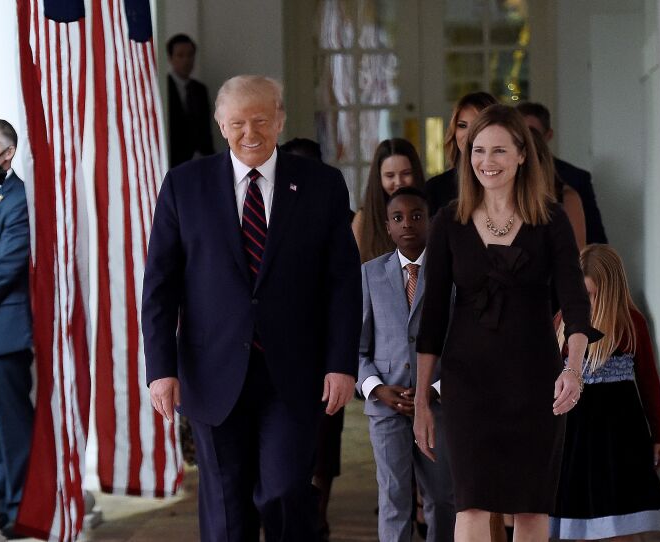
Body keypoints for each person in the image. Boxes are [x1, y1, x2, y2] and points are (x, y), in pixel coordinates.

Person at [142, 75, 362, 542]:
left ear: (280, 119)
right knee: (225, 504)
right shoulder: (185, 185)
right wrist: (160, 369)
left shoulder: (322, 185)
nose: (250, 133)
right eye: (238, 122)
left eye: (261, 120)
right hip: (212, 370)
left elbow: (343, 284)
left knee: (283, 491)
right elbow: (160, 286)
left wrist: (342, 364)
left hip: (294, 372)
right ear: (221, 125)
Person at [413, 105, 601, 542]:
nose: (487, 161)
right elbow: (432, 316)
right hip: (467, 385)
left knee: (531, 506)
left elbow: (575, 303)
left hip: (536, 381)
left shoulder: (550, 219)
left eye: (499, 150)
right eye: (478, 150)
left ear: (522, 155)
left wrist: (573, 369)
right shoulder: (448, 222)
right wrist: (422, 399)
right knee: (472, 502)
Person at [550, 244, 660, 541]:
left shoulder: (632, 324)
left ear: (610, 290)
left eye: (592, 295)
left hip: (621, 438)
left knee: (620, 520)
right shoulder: (562, 322)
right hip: (575, 436)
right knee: (577, 518)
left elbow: (649, 382)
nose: (586, 302)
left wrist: (659, 435)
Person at [358, 187, 455, 542]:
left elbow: (461, 345)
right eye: (398, 218)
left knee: (442, 498)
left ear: (430, 221)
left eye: (416, 216)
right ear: (387, 226)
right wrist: (375, 388)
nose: (407, 224)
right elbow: (357, 348)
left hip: (437, 406)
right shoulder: (370, 275)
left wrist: (435, 389)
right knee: (394, 498)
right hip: (386, 407)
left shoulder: (451, 273)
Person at [281, 135, 346, 540]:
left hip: (322, 352)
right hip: (277, 355)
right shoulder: (261, 213)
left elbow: (343, 291)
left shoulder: (335, 210)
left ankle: (317, 515)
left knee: (324, 443)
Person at [0, 119, 34, 538]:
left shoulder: (17, 198)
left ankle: (19, 510)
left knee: (12, 429)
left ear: (9, 152)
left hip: (6, 332)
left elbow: (6, 267)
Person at [516, 101, 608, 244]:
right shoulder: (503, 176)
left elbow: (595, 238)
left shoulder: (576, 179)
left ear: (548, 135)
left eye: (533, 134)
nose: (526, 141)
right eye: (519, 134)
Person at [352, 138, 426, 262]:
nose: (398, 182)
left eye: (406, 173)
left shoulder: (431, 212)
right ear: (379, 178)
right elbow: (353, 270)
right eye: (390, 176)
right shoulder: (364, 219)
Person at [426, 92, 498, 218]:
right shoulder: (434, 188)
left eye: (477, 125)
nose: (468, 134)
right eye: (462, 126)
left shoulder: (506, 181)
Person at [166, 33, 214, 167]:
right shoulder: (164, 88)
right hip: (172, 160)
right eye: (180, 55)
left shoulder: (200, 89)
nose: (186, 60)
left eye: (190, 55)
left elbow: (206, 128)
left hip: (200, 159)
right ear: (170, 58)